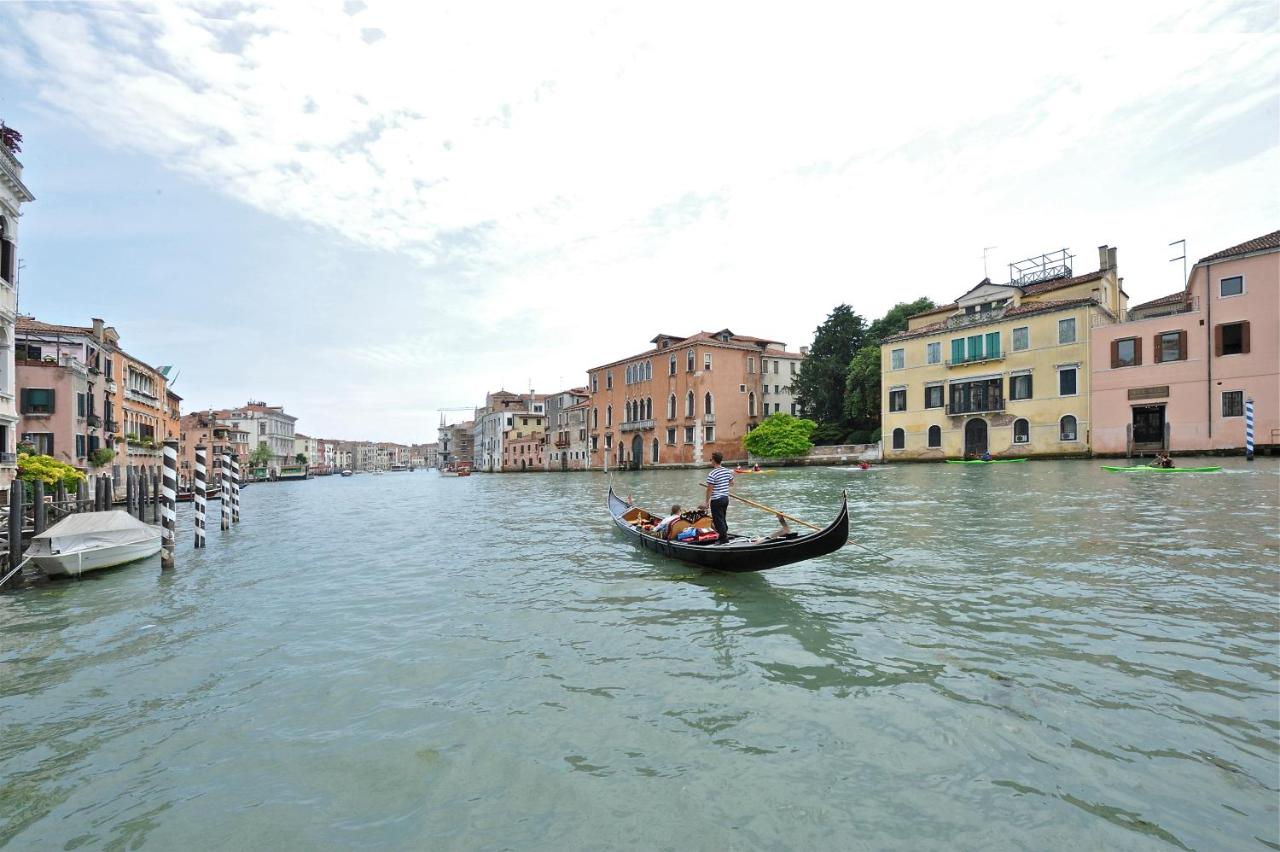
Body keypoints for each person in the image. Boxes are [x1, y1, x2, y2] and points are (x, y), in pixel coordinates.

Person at [703, 451, 733, 543]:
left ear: (714, 461)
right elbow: (731, 483)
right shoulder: (727, 471)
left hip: (716, 500)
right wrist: (722, 485)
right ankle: (723, 535)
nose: (710, 461)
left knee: (717, 520)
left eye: (711, 459)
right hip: (725, 498)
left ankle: (724, 539)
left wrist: (707, 502)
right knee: (722, 517)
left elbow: (709, 489)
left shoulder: (712, 474)